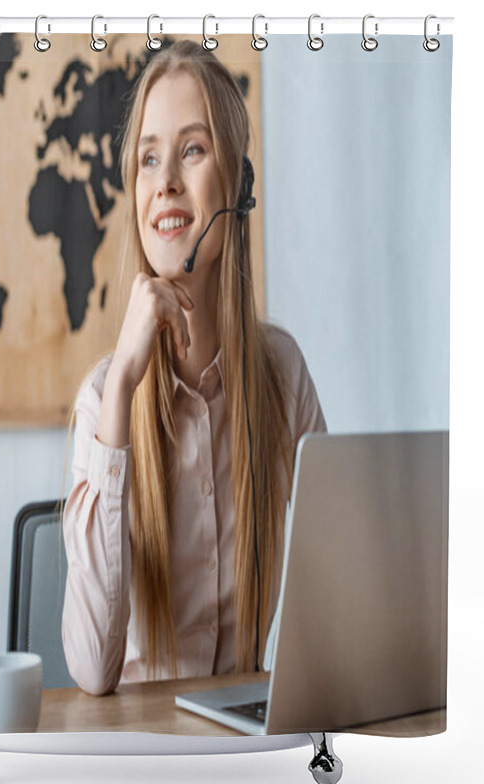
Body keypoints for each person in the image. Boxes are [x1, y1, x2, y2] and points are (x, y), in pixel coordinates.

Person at [61, 40, 326, 696]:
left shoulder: (280, 373)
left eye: (192, 149)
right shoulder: (102, 399)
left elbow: (346, 573)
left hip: (249, 744)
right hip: (140, 752)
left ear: (237, 184)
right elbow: (93, 671)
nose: (166, 182)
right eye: (149, 158)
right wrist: (123, 387)